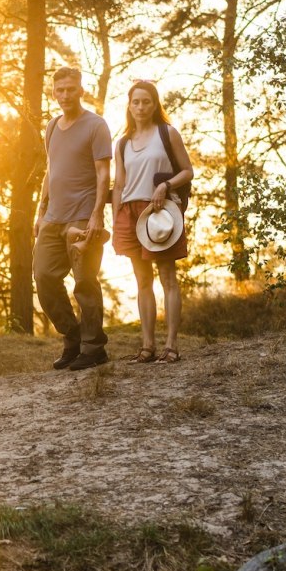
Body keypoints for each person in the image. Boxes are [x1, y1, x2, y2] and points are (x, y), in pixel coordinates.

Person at [34, 65, 112, 370]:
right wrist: (40, 212)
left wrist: (97, 215)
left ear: (81, 89)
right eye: (59, 90)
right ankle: (73, 336)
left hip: (82, 218)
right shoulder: (52, 127)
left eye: (70, 89)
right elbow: (50, 171)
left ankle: (94, 349)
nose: (65, 95)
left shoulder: (96, 125)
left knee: (84, 283)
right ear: (53, 93)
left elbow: (103, 172)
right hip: (53, 217)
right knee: (44, 277)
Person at [111, 79, 194, 363]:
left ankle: (171, 345)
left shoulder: (167, 133)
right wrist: (114, 221)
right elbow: (119, 184)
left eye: (146, 101)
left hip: (158, 211)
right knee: (142, 280)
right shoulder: (121, 143)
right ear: (129, 105)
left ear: (154, 104)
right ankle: (147, 346)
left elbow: (188, 171)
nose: (141, 106)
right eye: (136, 101)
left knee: (168, 278)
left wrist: (165, 185)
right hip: (128, 212)